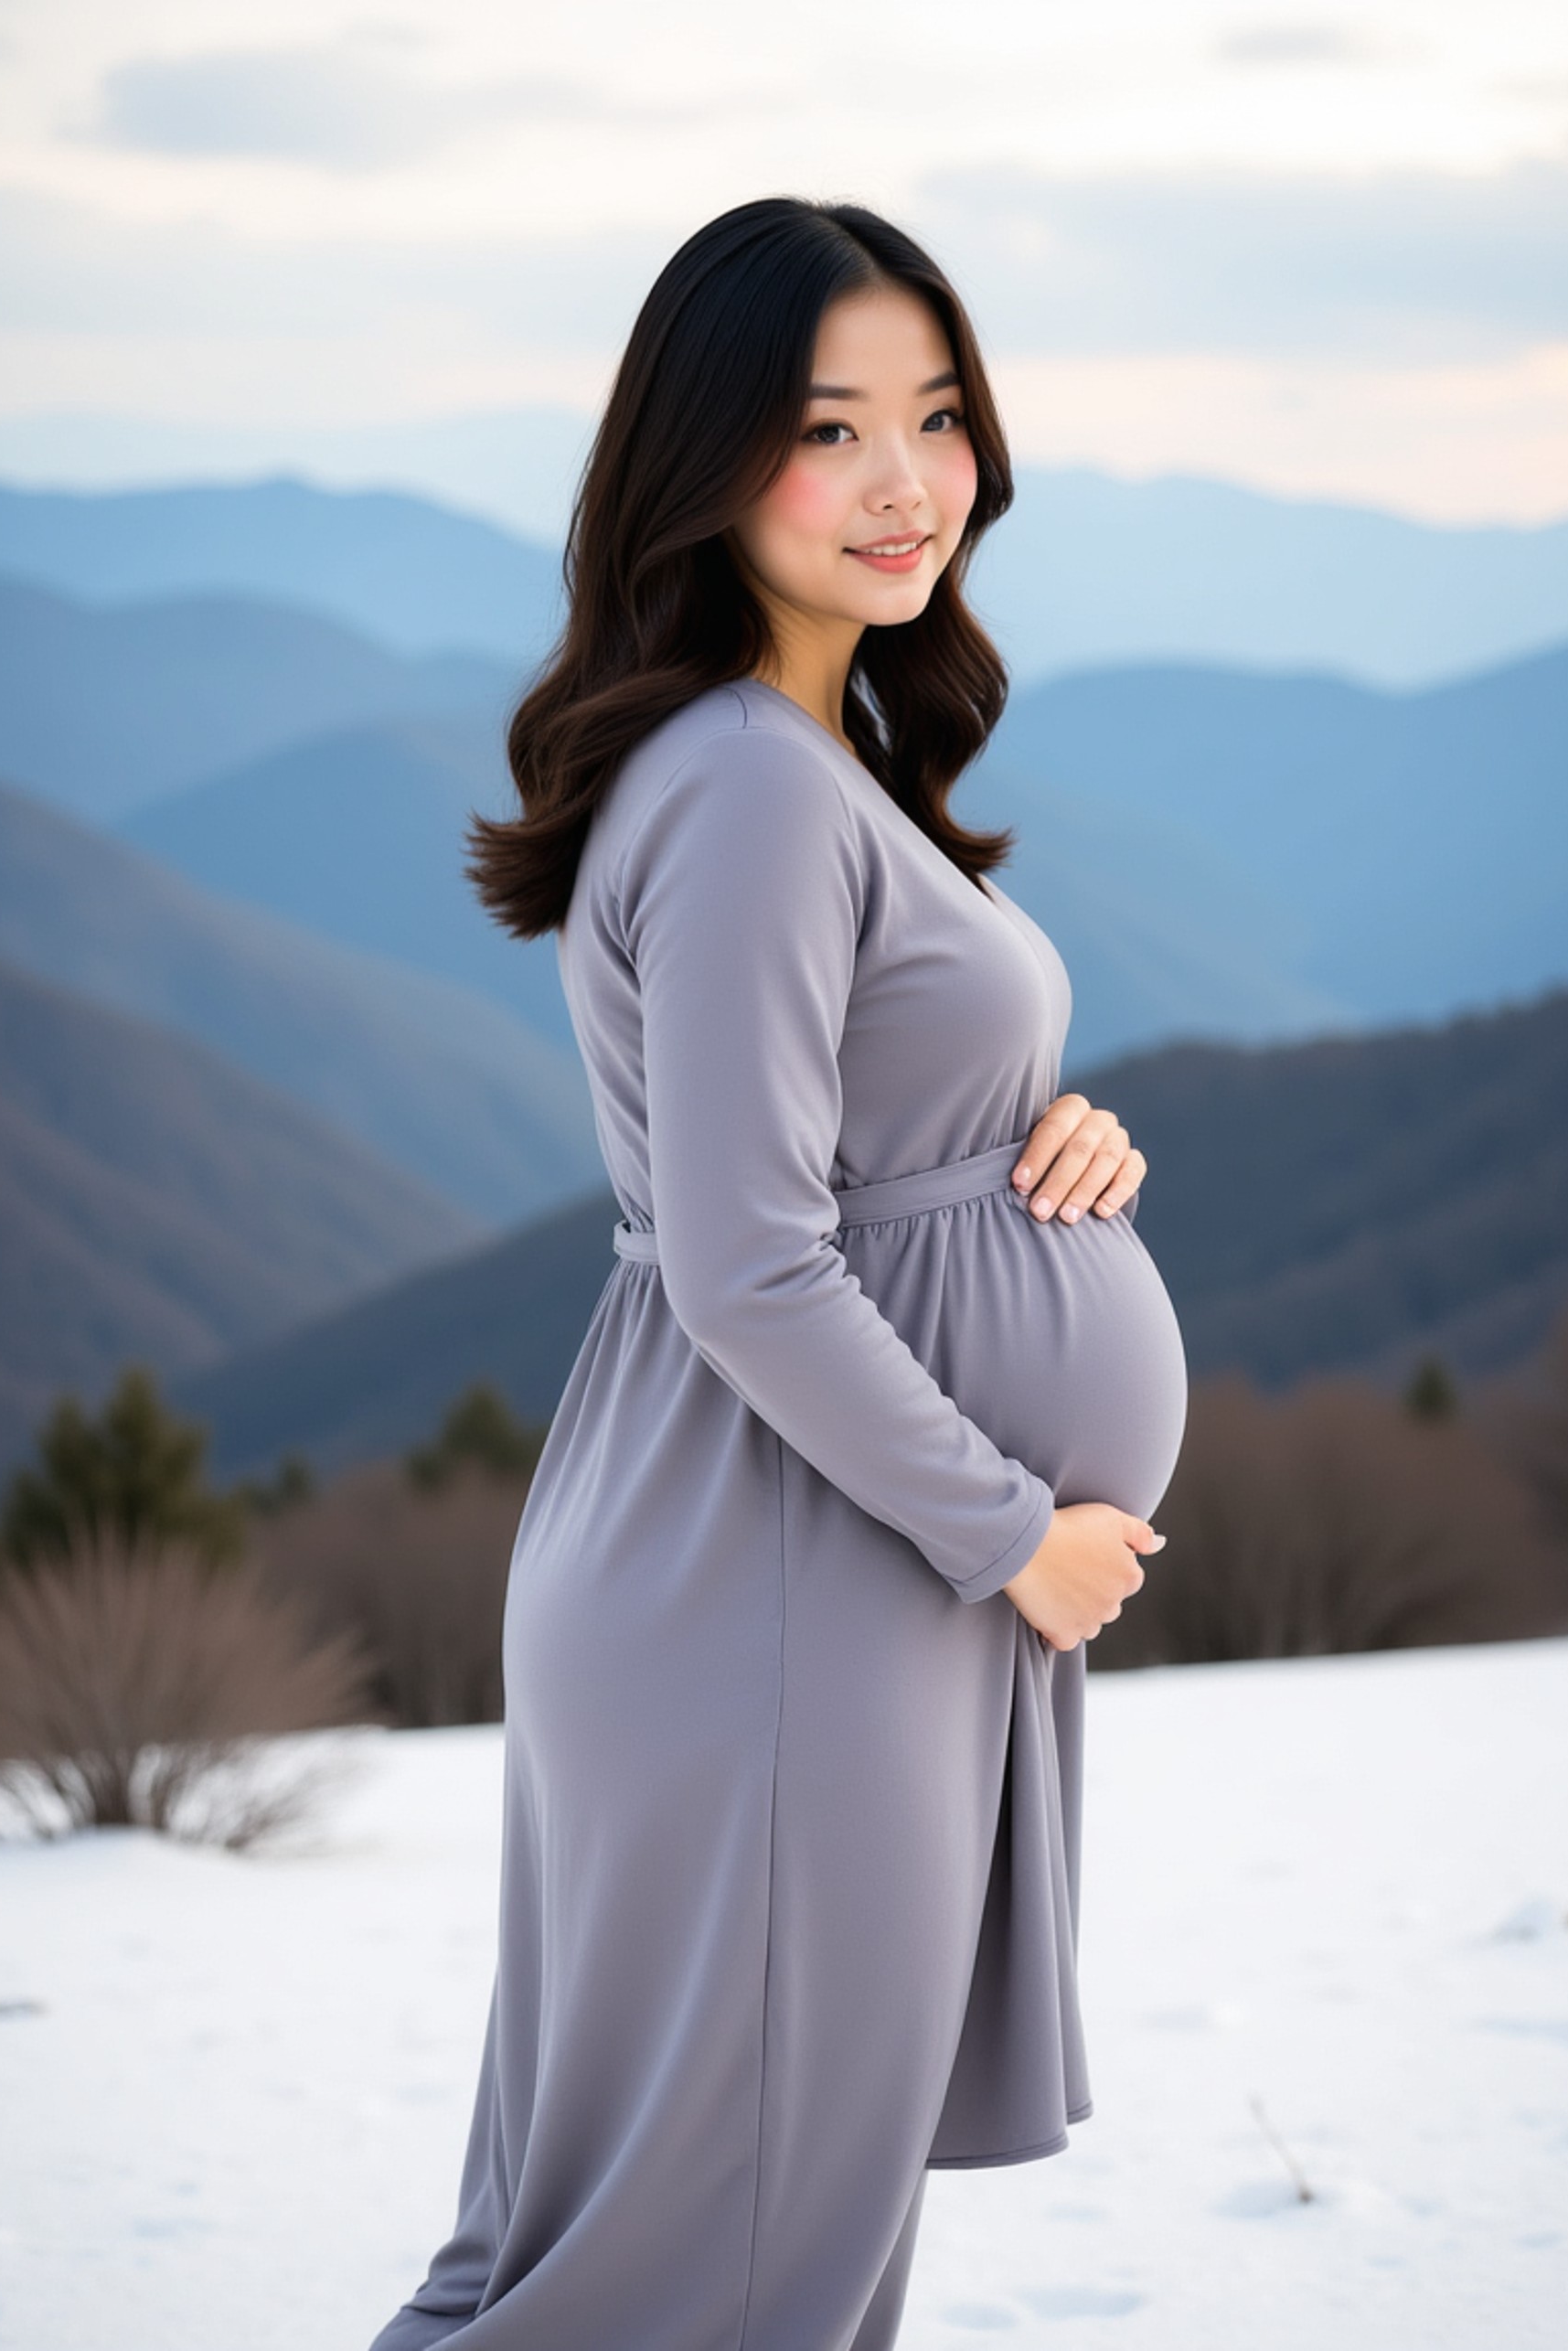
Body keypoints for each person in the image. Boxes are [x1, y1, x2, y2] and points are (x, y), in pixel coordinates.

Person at [367, 195, 1189, 2351]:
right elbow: (744, 1261)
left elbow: (836, 1148)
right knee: (707, 2278)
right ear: (707, 456)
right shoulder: (749, 784)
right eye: (830, 429)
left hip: (784, 1577)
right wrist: (1011, 1532)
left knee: (633, 2253)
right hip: (788, 1587)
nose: (905, 478)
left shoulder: (811, 761)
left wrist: (1045, 1141)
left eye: (937, 414)